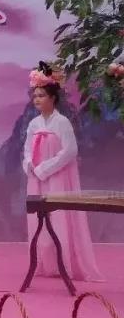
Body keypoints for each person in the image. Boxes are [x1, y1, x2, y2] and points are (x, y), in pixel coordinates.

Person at [23, 61, 103, 281]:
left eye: (41, 95)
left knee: (59, 220)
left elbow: (69, 151)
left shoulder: (62, 122)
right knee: (38, 221)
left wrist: (44, 169)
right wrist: (30, 165)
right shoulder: (34, 124)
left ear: (53, 98)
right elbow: (27, 150)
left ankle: (64, 263)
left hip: (57, 177)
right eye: (35, 96)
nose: (37, 99)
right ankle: (44, 263)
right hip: (37, 178)